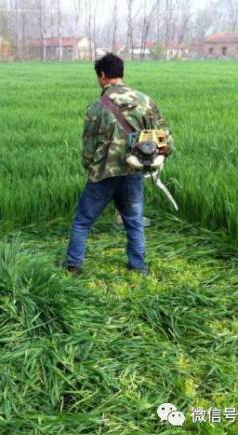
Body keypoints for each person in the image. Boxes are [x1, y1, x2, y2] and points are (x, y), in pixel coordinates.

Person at [64, 53, 174, 276]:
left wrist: (90, 168)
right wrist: (152, 160)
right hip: (134, 171)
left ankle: (73, 265)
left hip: (103, 174)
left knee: (82, 222)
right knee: (133, 222)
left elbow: (88, 148)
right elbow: (165, 138)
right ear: (121, 73)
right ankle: (138, 267)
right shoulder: (145, 101)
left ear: (103, 75)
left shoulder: (96, 107)